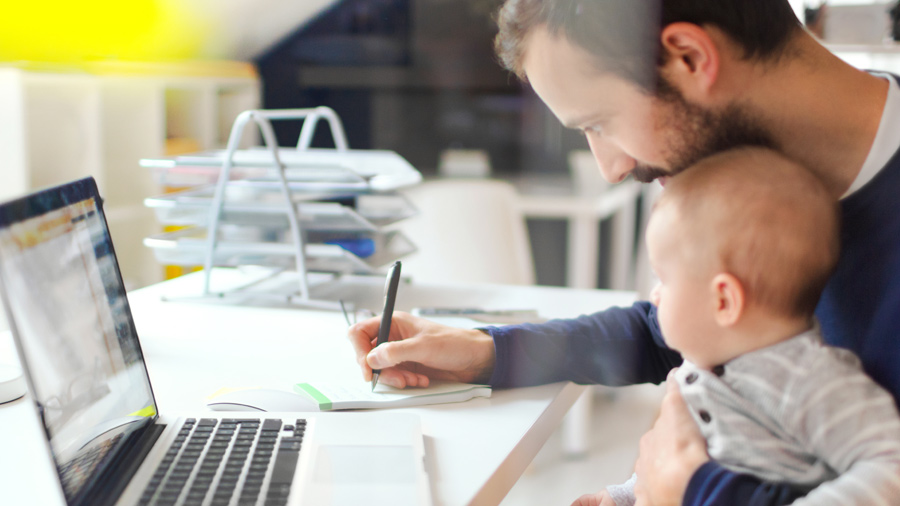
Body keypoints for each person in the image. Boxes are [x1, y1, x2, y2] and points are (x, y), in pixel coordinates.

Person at [347, 1, 900, 504]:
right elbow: (659, 334)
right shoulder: (765, 196)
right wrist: (485, 351)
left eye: (599, 122)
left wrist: (692, 487)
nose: (612, 168)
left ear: (687, 57)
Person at [577, 148, 900, 506]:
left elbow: (889, 464)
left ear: (724, 301)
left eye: (664, 279)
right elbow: (674, 463)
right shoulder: (704, 366)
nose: (655, 295)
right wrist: (623, 497)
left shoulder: (808, 380)